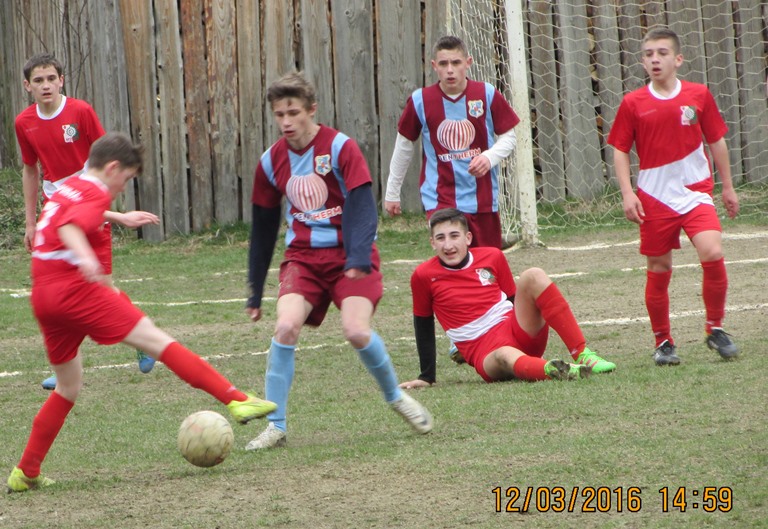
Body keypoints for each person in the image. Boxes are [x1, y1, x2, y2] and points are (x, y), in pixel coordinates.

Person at [6, 133, 276, 493]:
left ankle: (25, 471)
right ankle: (236, 400)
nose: (122, 187)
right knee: (156, 341)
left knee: (68, 386)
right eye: (127, 179)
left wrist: (118, 216)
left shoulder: (67, 189)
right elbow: (70, 226)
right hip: (77, 291)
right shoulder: (95, 191)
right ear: (113, 167)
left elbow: (67, 214)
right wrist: (86, 257)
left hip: (45, 297)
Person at [245, 71, 433, 450]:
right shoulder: (270, 162)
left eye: (293, 112)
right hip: (303, 260)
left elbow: (363, 206)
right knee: (285, 328)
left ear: (311, 110)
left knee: (356, 331)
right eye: (278, 114)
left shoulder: (341, 148)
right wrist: (254, 289)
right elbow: (262, 228)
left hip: (351, 256)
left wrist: (359, 255)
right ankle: (275, 426)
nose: (285, 122)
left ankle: (396, 397)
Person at [15, 53, 159, 389]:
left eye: (51, 78)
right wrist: (30, 222)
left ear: (62, 80)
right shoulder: (24, 122)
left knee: (101, 288)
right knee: (61, 290)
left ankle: (143, 341)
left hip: (89, 207)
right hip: (54, 214)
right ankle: (65, 364)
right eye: (38, 81)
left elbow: (109, 159)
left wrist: (109, 210)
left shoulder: (80, 112)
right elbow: (29, 169)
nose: (46, 85)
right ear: (27, 86)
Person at [607, 27, 740, 366]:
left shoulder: (698, 95)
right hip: (654, 197)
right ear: (642, 61)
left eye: (662, 53)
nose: (655, 59)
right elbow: (620, 149)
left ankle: (715, 328)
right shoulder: (633, 103)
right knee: (659, 266)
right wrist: (627, 193)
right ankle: (663, 341)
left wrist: (726, 186)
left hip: (695, 192)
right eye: (649, 54)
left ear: (678, 59)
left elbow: (716, 141)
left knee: (712, 250)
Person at [399, 208, 616, 390]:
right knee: (504, 354)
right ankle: (555, 370)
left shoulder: (492, 256)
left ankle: (584, 355)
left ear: (468, 238)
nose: (448, 245)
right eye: (440, 238)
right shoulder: (423, 275)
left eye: (454, 236)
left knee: (533, 275)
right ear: (432, 243)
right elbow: (423, 323)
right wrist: (426, 376)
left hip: (515, 330)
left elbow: (513, 299)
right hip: (483, 350)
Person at [384, 35, 520, 250]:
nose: (450, 70)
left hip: (482, 199)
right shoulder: (421, 100)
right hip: (440, 200)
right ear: (434, 66)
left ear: (468, 63)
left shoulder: (486, 94)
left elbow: (509, 136)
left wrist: (488, 157)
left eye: (456, 63)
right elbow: (404, 146)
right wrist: (392, 192)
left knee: (485, 268)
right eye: (443, 63)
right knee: (452, 260)